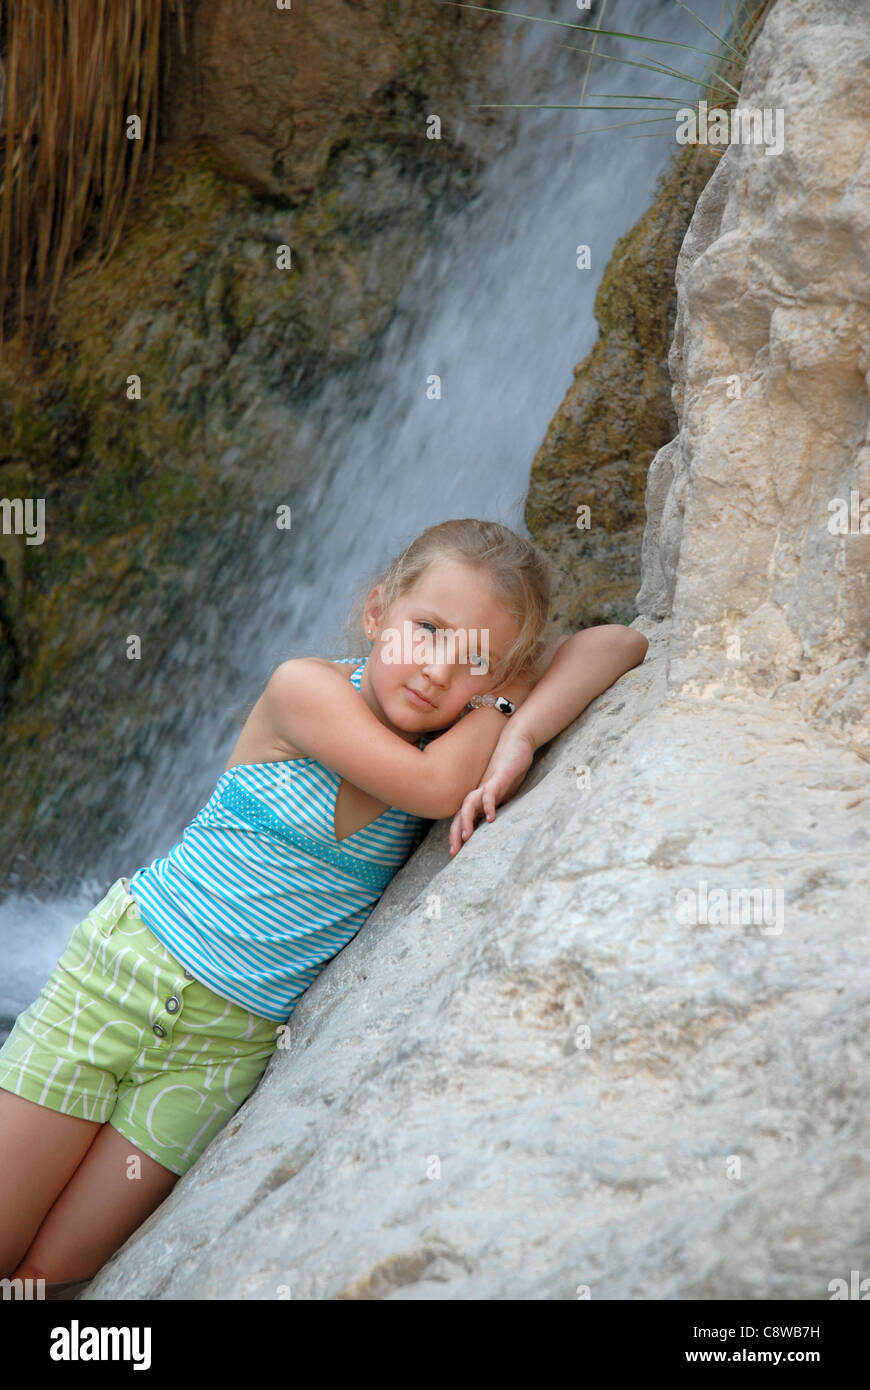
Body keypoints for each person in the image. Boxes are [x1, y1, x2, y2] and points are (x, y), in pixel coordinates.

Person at [0, 518, 648, 1295]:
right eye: (426, 631)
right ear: (376, 614)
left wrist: (522, 725)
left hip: (223, 1049)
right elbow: (440, 789)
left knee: (50, 1272)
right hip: (120, 980)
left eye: (473, 660)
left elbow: (617, 643)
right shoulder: (302, 690)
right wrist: (500, 705)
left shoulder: (465, 727)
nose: (438, 670)